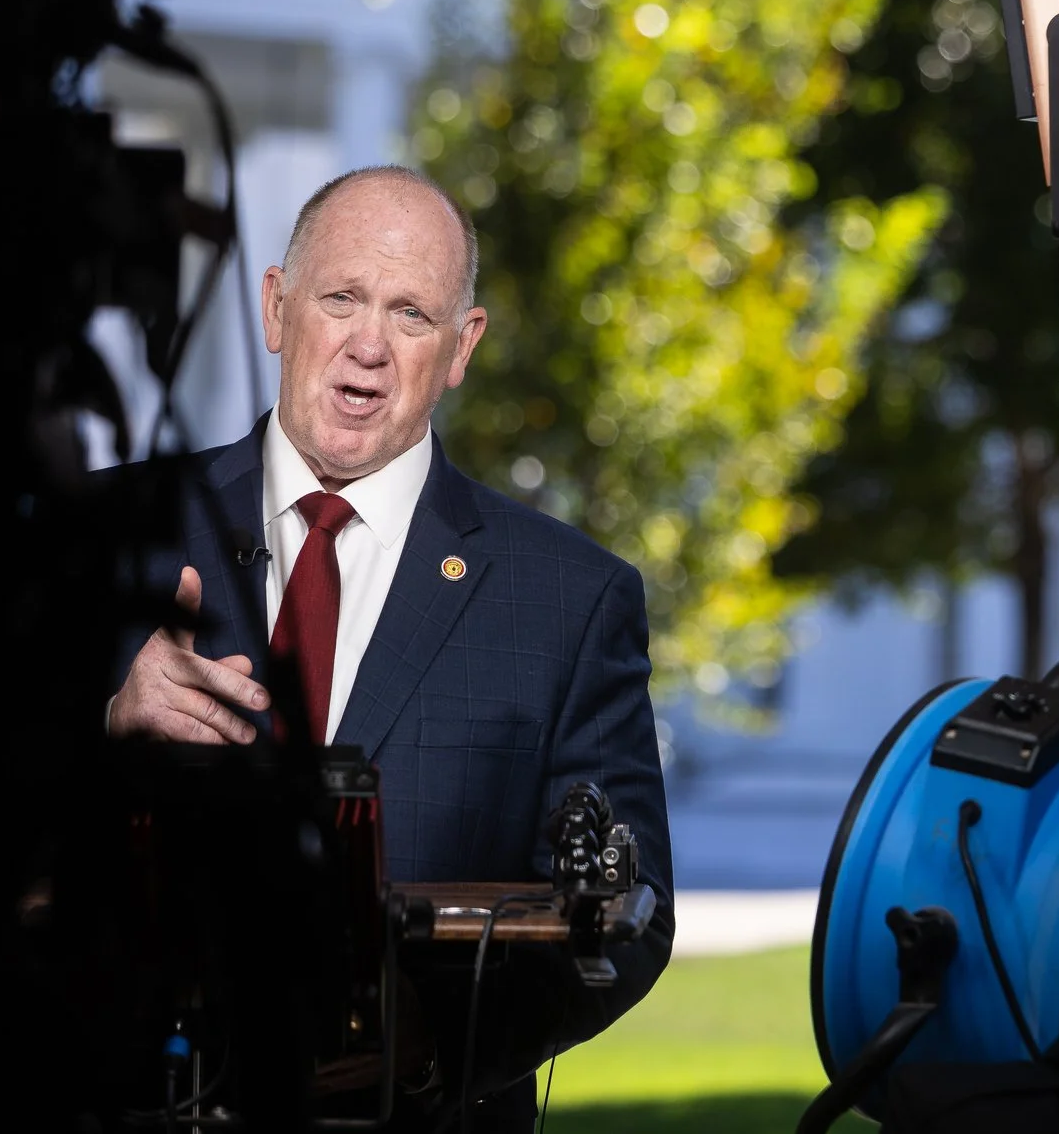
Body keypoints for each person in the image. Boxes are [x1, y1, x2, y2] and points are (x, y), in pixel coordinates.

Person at [107, 165, 672, 1129]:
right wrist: (104, 724)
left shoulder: (571, 600)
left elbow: (636, 914)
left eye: (412, 313)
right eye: (341, 298)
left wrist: (423, 1063)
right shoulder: (110, 531)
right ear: (277, 307)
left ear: (462, 347)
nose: (368, 346)